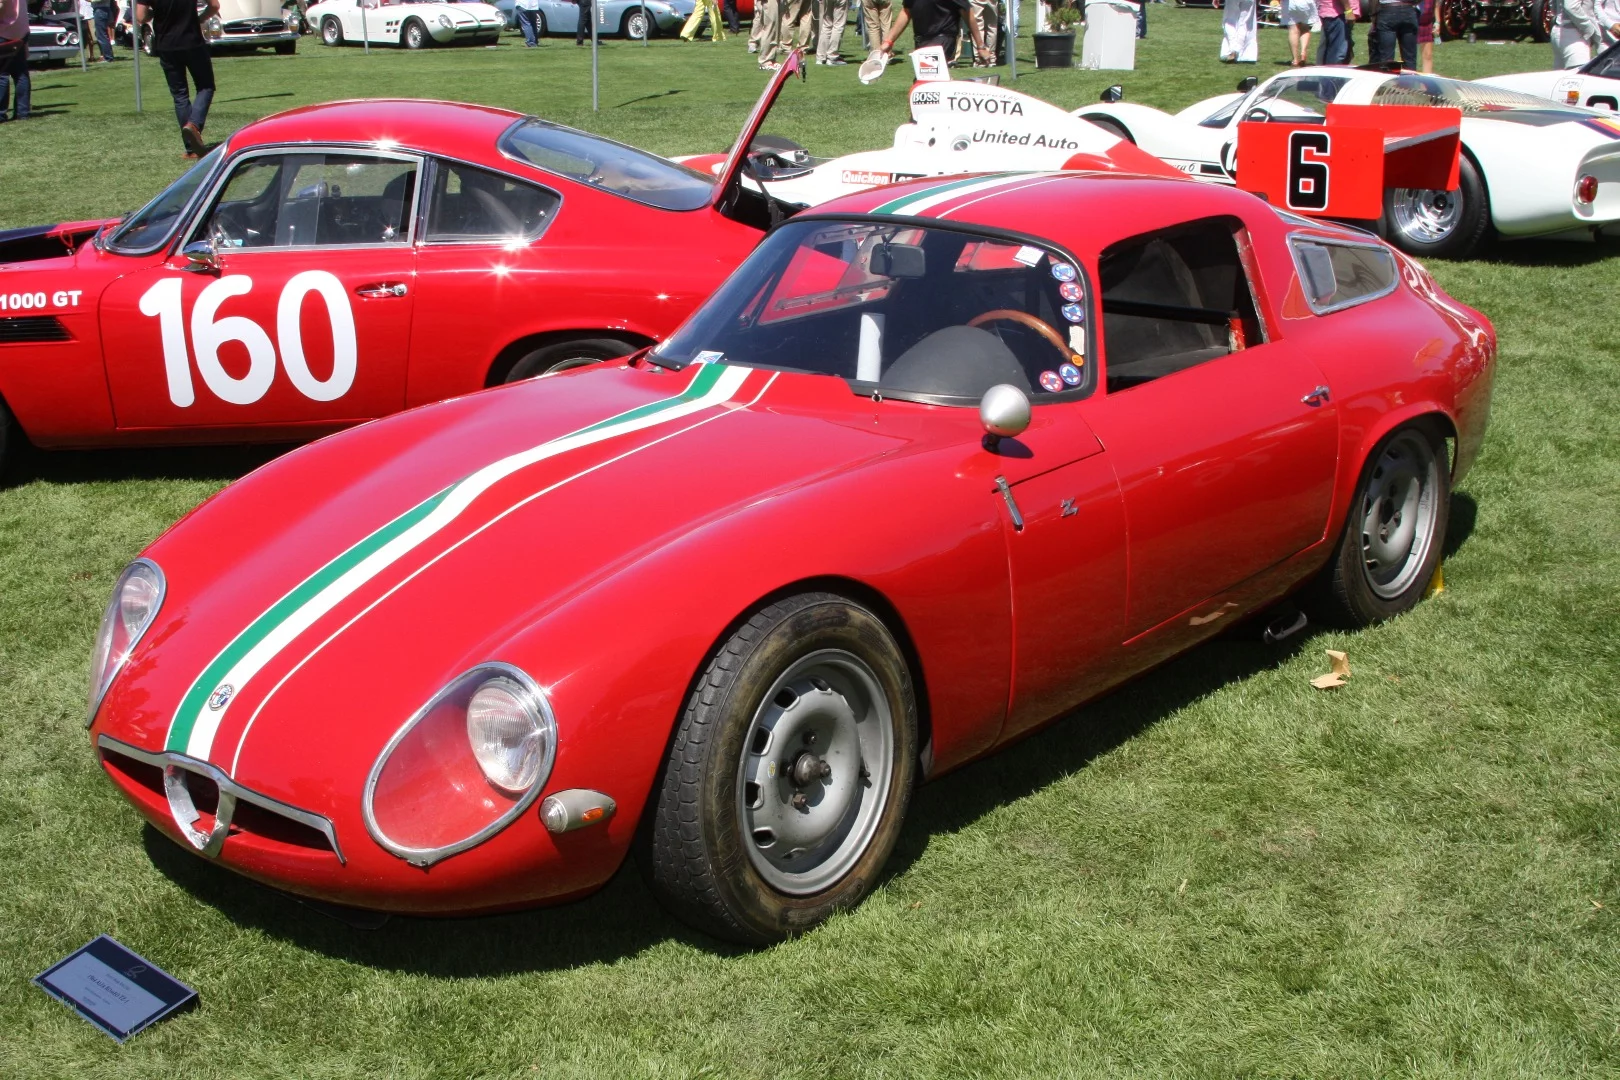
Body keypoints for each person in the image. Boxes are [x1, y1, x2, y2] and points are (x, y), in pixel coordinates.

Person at [137, 0, 217, 156]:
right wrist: (200, 17)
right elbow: (214, 5)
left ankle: (190, 148)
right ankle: (194, 125)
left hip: (166, 44)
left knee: (180, 95)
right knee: (206, 86)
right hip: (192, 41)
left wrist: (155, 13)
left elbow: (141, 16)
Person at [876, 0, 991, 66]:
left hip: (942, 38)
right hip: (921, 40)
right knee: (927, 82)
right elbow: (906, 11)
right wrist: (889, 41)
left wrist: (980, 45)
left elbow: (967, 12)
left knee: (928, 81)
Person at [1551, 0, 1604, 67]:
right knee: (1578, 75)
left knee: (1562, 75)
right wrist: (1588, 28)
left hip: (1560, 29)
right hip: (1574, 33)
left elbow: (1552, 3)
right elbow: (1571, 6)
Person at [0, 0, 27, 122]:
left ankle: (0, 113)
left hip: (4, 31)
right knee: (21, 74)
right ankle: (23, 112)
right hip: (21, 30)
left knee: (2, 74)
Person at [1370, 0, 1418, 68]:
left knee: (1386, 58)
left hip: (1388, 10)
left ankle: (1388, 75)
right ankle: (1411, 77)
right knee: (1410, 59)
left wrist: (1373, 15)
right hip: (1408, 9)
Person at [1417, 0, 1435, 71]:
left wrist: (1437, 22)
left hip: (1426, 23)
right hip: (1411, 21)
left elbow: (1436, 5)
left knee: (1428, 55)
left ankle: (1426, 80)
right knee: (1408, 56)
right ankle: (1405, 80)